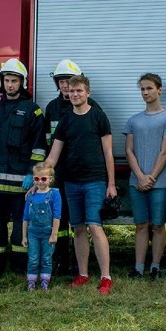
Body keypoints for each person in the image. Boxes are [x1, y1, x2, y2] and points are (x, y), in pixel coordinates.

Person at [46, 74, 116, 295]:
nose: (75, 94)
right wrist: (39, 178)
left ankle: (106, 277)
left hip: (95, 181)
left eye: (79, 91)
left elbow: (108, 152)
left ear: (88, 93)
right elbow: (53, 156)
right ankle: (83, 274)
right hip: (72, 182)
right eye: (72, 91)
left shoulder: (98, 117)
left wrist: (111, 184)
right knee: (77, 229)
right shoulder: (66, 120)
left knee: (95, 226)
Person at [0, 58, 46, 277]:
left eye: (14, 80)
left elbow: (39, 148)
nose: (10, 85)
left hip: (21, 187)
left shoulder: (33, 112)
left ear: (22, 82)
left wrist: (30, 174)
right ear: (2, 81)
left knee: (20, 228)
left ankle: (18, 266)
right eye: (7, 80)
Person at [42, 58, 104, 276]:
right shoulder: (52, 108)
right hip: (60, 174)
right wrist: (42, 174)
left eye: (69, 81)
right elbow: (49, 143)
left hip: (84, 174)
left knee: (86, 221)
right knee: (59, 218)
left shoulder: (93, 108)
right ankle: (61, 261)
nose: (66, 85)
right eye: (61, 81)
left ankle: (83, 265)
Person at [123, 73, 166, 281]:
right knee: (141, 225)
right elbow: (129, 151)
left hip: (159, 183)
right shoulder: (133, 120)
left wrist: (151, 178)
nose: (145, 92)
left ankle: (155, 266)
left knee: (157, 225)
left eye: (149, 88)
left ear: (159, 90)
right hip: (137, 182)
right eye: (142, 89)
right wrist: (140, 177)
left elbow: (165, 152)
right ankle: (138, 268)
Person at [21, 161, 62, 291]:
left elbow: (57, 216)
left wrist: (54, 234)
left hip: (47, 233)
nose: (40, 182)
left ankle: (45, 281)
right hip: (33, 233)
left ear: (51, 179)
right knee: (33, 258)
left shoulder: (54, 194)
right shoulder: (31, 196)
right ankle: (31, 282)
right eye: (36, 179)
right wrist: (24, 236)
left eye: (43, 178)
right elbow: (25, 218)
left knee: (46, 258)